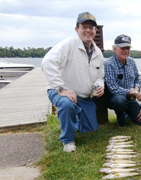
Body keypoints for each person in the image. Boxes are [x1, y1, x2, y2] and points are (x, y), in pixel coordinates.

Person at [42, 12, 104, 152]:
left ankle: (73, 121)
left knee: (90, 131)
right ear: (77, 29)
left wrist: (100, 85)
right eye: (84, 27)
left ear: (95, 31)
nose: (88, 30)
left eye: (91, 27)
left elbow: (100, 76)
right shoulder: (68, 44)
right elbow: (47, 62)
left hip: (83, 96)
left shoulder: (98, 53)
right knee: (66, 104)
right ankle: (68, 141)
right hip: (61, 92)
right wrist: (60, 88)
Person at [104, 34, 141, 127]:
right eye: (122, 48)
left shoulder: (132, 61)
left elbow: (137, 79)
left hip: (130, 98)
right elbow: (113, 88)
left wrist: (137, 87)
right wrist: (134, 92)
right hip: (114, 98)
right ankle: (121, 122)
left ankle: (127, 114)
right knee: (120, 101)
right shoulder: (108, 64)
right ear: (115, 49)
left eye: (127, 48)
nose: (125, 51)